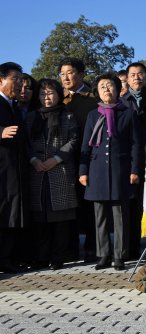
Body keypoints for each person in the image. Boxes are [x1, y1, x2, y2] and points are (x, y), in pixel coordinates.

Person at [79, 73, 143, 271]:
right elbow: (86, 146)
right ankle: (103, 255)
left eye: (110, 86)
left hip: (120, 170)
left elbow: (136, 145)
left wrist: (135, 169)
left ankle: (119, 256)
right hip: (97, 170)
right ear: (98, 92)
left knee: (120, 215)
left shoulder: (128, 112)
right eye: (102, 87)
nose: (106, 89)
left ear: (117, 89)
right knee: (100, 216)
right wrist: (83, 171)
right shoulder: (93, 115)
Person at [26, 79, 79, 270]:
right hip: (37, 171)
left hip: (60, 171)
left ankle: (58, 257)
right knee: (40, 218)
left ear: (58, 94)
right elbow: (25, 143)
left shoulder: (68, 115)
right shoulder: (32, 117)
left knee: (61, 219)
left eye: (49, 93)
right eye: (42, 94)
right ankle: (41, 257)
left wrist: (56, 159)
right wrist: (34, 160)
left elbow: (73, 140)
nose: (46, 97)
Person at [59, 57, 98, 262]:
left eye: (70, 72)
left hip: (89, 159)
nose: (66, 77)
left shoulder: (93, 98)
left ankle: (92, 247)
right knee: (68, 205)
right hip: (63, 161)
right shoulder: (58, 98)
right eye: (62, 73)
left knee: (89, 204)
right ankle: (71, 249)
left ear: (81, 74)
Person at [122, 62, 146, 259]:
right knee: (132, 206)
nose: (136, 78)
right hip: (130, 161)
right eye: (132, 74)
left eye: (140, 74)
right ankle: (131, 248)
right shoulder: (122, 102)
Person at [0, 62, 27, 273]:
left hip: (15, 170)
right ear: (1, 80)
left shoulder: (15, 106)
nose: (19, 83)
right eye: (14, 79)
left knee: (12, 213)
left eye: (21, 79)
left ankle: (8, 257)